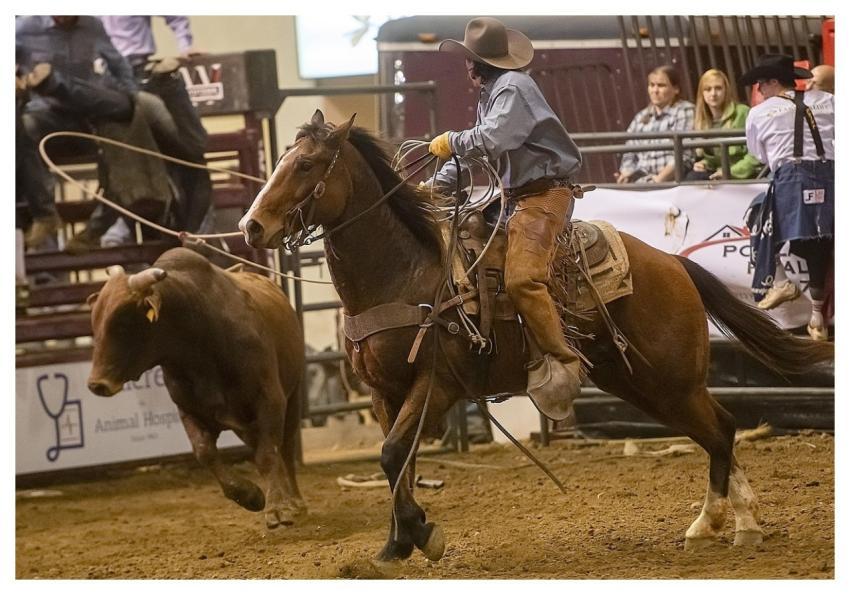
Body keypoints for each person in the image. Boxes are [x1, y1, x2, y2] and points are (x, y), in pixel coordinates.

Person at [428, 17, 582, 421]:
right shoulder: (494, 92)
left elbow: (492, 140)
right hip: (516, 196)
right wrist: (438, 184)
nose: (467, 65)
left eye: (470, 58)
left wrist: (451, 141)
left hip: (546, 193)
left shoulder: (513, 88)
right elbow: (479, 149)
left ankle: (561, 360)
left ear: (482, 62)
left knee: (521, 278)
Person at [16, 16, 173, 253]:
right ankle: (45, 215)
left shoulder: (92, 25)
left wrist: (132, 99)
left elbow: (117, 63)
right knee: (24, 127)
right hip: (46, 115)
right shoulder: (25, 27)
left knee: (120, 142)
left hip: (88, 114)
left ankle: (95, 231)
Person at [742, 54, 834, 341]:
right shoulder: (829, 100)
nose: (759, 90)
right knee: (822, 242)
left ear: (771, 82)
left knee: (758, 215)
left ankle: (780, 280)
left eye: (760, 84)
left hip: (791, 178)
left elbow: (758, 154)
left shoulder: (759, 112)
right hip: (833, 177)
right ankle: (817, 317)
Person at [99, 16, 213, 237]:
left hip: (135, 73)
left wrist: (185, 44)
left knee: (187, 150)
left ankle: (187, 229)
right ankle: (128, 225)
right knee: (187, 149)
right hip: (116, 79)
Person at [615, 65, 695, 184]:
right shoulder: (641, 117)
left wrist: (659, 179)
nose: (655, 90)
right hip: (641, 180)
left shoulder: (685, 111)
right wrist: (626, 172)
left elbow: (684, 155)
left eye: (661, 85)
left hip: (673, 182)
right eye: (652, 85)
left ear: (676, 89)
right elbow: (629, 152)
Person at [687, 68, 762, 181]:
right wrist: (705, 163)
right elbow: (715, 159)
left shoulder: (743, 113)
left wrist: (729, 172)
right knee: (692, 178)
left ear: (726, 90)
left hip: (744, 175)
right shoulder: (702, 121)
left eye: (718, 88)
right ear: (702, 93)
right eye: (708, 89)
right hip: (718, 174)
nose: (713, 93)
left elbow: (755, 155)